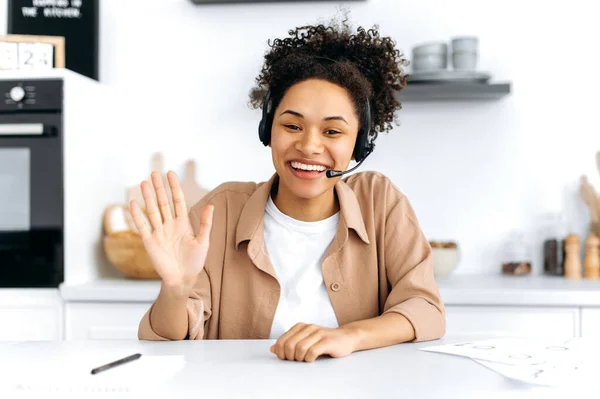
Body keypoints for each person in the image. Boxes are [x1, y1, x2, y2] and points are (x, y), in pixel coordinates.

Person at [133, 16, 445, 363]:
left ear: (360, 144)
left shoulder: (379, 200)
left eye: (332, 132)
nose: (309, 146)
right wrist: (175, 290)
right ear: (268, 128)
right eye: (292, 125)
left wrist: (350, 336)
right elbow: (167, 336)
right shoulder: (219, 211)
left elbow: (426, 309)